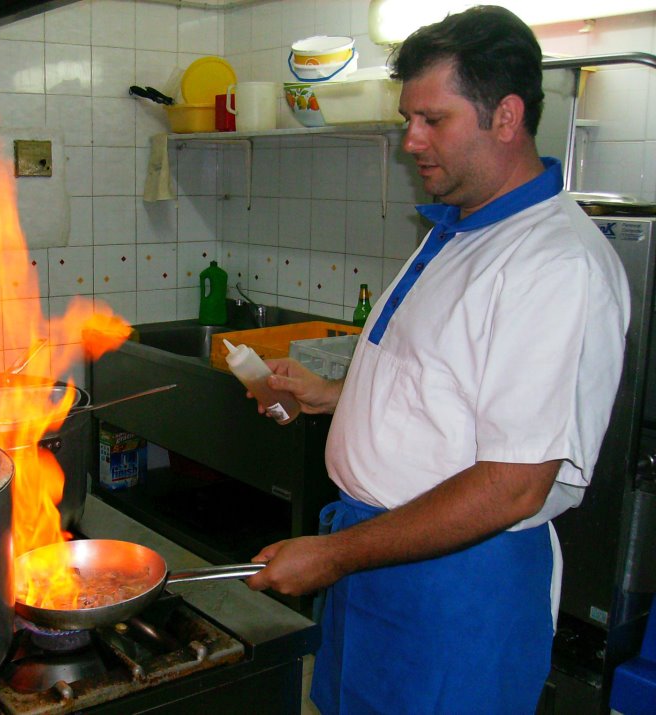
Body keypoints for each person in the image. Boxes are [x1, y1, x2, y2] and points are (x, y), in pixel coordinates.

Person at [244, 6, 631, 714]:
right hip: (379, 564)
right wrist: (332, 395)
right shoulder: (459, 228)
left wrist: (330, 556)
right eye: (406, 119)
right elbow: (443, 384)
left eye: (433, 119)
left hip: (457, 586)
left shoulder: (552, 263)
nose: (410, 142)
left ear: (506, 116)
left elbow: (514, 483)